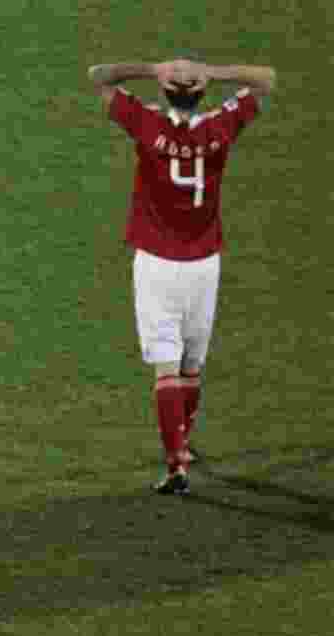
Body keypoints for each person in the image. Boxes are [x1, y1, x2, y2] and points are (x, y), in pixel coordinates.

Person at [88, 57, 276, 493]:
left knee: (166, 368)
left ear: (167, 92)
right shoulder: (220, 127)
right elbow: (266, 80)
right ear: (201, 93)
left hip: (156, 262)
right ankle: (184, 442)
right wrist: (213, 71)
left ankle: (176, 464)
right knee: (191, 365)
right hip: (204, 262)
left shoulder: (148, 125)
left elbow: (99, 76)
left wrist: (152, 68)